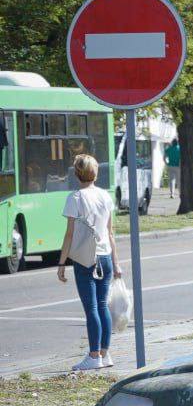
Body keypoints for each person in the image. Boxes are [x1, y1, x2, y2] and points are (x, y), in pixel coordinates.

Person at [57, 154, 122, 371]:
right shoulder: (105, 196)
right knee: (102, 306)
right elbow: (110, 233)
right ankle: (105, 353)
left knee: (92, 308)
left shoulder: (75, 198)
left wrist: (61, 263)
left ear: (76, 174)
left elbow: (69, 234)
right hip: (105, 257)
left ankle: (94, 356)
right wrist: (116, 263)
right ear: (95, 173)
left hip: (86, 259)